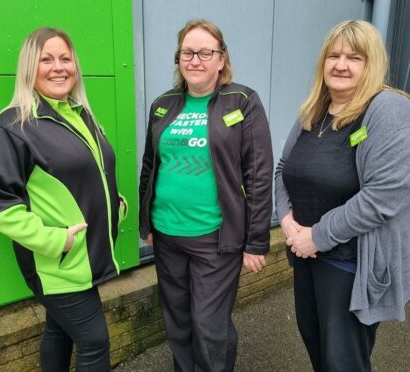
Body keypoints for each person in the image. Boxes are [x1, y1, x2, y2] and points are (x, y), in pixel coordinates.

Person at [0, 27, 127, 372]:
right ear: (29, 68)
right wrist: (56, 241)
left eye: (65, 58)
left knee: (59, 330)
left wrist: (116, 206)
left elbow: (92, 174)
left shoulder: (81, 115)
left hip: (83, 256)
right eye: (46, 59)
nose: (58, 67)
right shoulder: (12, 127)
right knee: (95, 342)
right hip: (56, 264)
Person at [275, 19, 410, 371]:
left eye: (354, 57)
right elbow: (282, 170)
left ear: (372, 64)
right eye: (333, 55)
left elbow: (383, 196)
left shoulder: (387, 110)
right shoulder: (314, 110)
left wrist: (317, 236)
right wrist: (287, 221)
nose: (340, 64)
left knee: (343, 362)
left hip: (349, 265)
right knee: (319, 353)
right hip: (305, 257)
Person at [139, 19, 273, 372]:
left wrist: (256, 241)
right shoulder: (163, 104)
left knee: (209, 326)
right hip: (167, 235)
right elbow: (150, 166)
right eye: (187, 52)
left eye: (205, 52)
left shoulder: (241, 101)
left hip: (215, 238)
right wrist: (145, 222)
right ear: (178, 58)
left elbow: (258, 174)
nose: (195, 59)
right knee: (178, 320)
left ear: (221, 59)